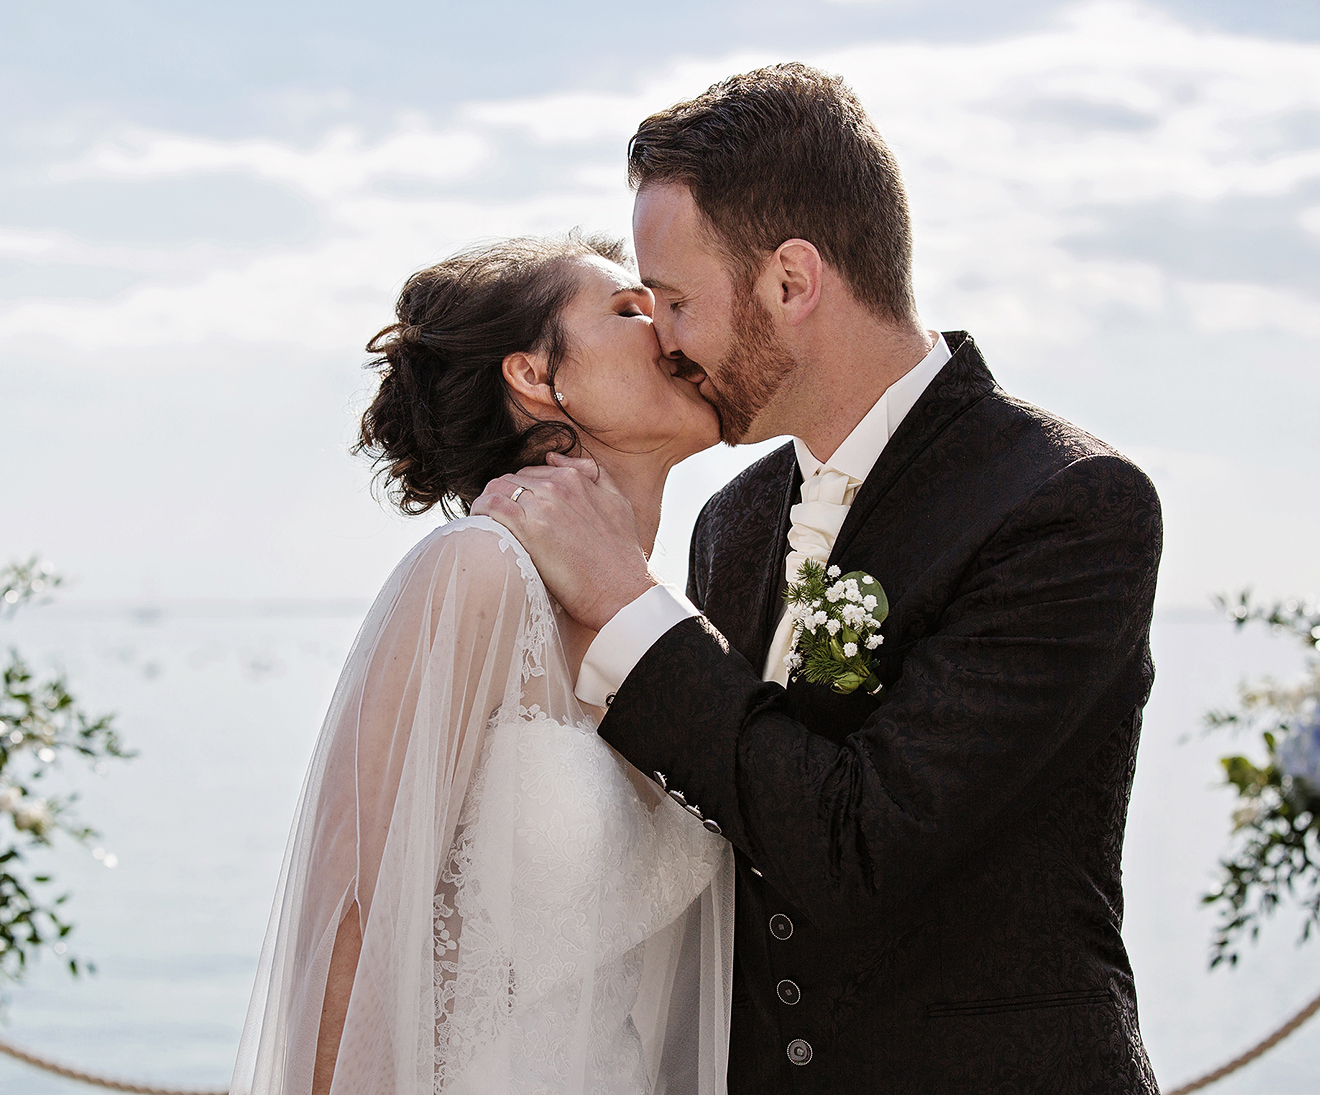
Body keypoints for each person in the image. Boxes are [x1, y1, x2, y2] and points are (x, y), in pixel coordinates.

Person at [475, 64, 1164, 1093]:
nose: (662, 340)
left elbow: (858, 846)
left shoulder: (1066, 507)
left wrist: (624, 605)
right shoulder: (733, 523)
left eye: (674, 300)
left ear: (790, 284)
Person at [230, 234, 734, 1095]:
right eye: (625, 308)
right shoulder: (478, 573)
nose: (666, 326)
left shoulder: (674, 625)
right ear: (536, 377)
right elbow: (349, 916)